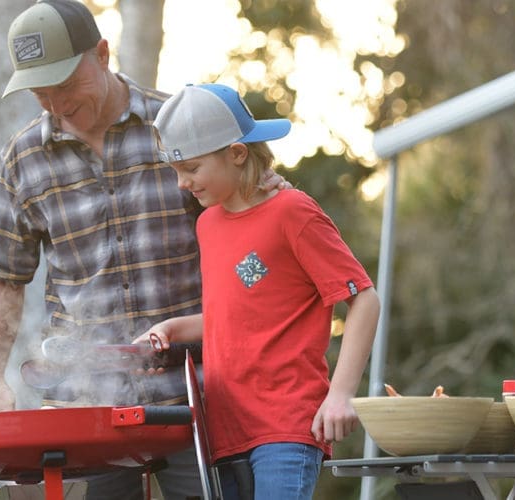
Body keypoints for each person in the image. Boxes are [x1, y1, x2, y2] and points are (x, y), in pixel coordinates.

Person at [0, 1, 284, 498]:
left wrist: (253, 315)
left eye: (66, 86)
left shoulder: (180, 127)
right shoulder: (23, 158)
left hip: (199, 394)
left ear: (102, 53)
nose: (55, 104)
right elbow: (1, 277)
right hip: (86, 406)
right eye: (40, 93)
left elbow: (256, 236)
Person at [130, 83, 380, 500]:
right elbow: (238, 313)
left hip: (286, 425)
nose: (181, 183)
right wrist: (173, 328)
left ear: (238, 153)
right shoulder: (207, 225)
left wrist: (340, 395)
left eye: (190, 167)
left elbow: (364, 299)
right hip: (225, 431)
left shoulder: (292, 211)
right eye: (175, 170)